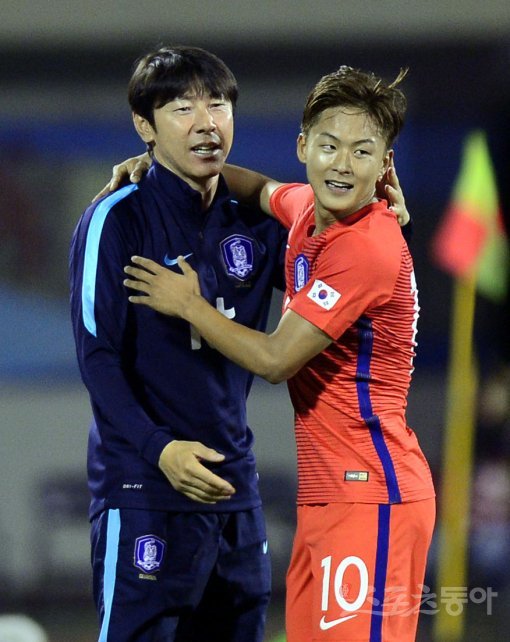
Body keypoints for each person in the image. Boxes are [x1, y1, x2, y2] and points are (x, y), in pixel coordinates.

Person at [122, 65, 435, 642]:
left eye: (363, 151)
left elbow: (273, 361)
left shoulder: (365, 248)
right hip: (328, 495)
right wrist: (157, 165)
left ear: (385, 164)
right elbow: (260, 188)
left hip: (371, 491)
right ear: (303, 147)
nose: (342, 164)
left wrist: (191, 306)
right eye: (329, 146)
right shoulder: (307, 211)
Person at [69, 45, 290, 642]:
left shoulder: (257, 225)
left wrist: (387, 214)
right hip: (145, 490)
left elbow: (339, 251)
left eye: (218, 104)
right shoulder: (116, 218)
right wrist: (159, 449)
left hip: (234, 494)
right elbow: (97, 357)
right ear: (144, 126)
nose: (206, 123)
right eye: (182, 107)